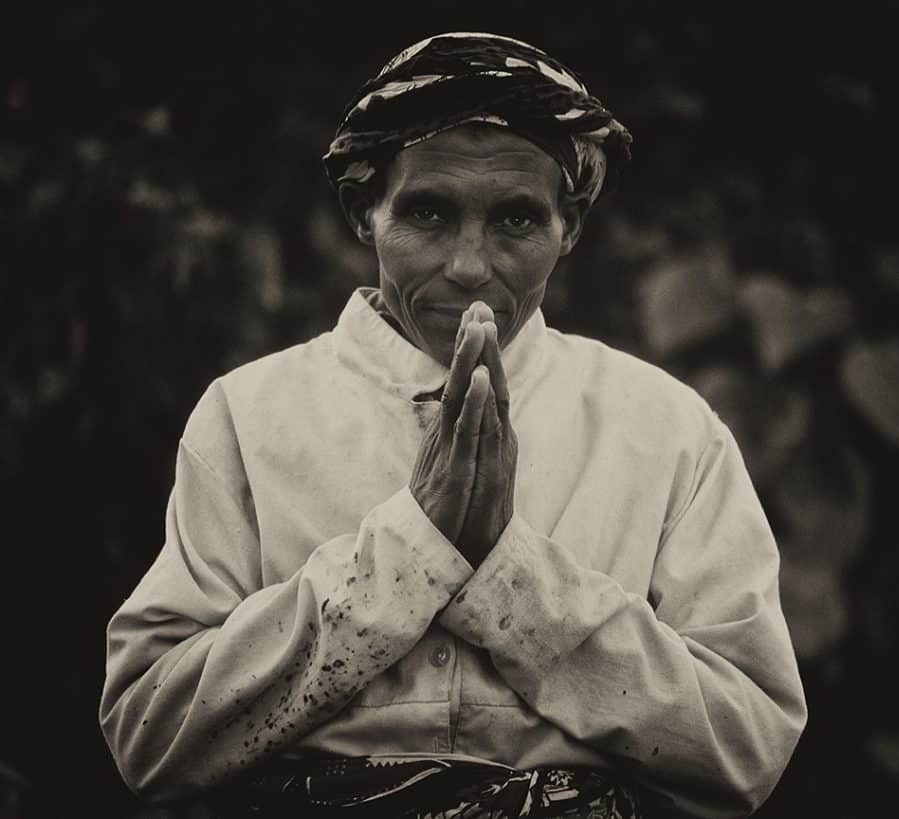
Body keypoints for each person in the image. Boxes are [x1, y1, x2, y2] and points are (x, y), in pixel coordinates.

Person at [100, 32, 806, 818]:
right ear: (363, 212)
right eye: (429, 212)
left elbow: (749, 746)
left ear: (569, 226)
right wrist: (408, 550)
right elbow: (148, 731)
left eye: (515, 220)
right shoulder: (249, 414)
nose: (470, 264)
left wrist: (513, 578)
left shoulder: (670, 429)